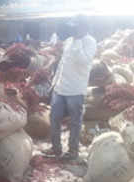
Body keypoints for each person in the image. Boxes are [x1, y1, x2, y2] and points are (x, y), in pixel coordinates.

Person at [42, 15, 97, 160]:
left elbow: (83, 62)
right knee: (54, 119)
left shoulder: (90, 42)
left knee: (75, 122)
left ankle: (72, 151)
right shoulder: (69, 41)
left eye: (75, 26)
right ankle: (56, 148)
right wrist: (54, 83)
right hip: (60, 88)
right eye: (71, 26)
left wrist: (78, 41)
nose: (72, 29)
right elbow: (62, 64)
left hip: (75, 90)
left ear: (84, 27)